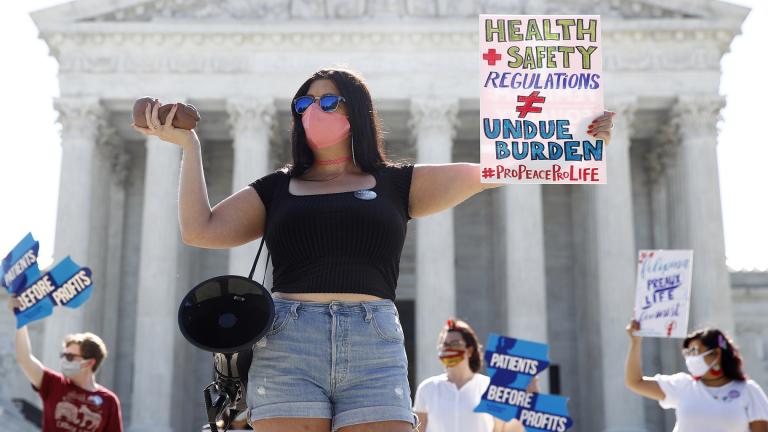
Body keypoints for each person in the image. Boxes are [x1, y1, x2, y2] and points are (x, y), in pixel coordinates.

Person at [131, 67, 614, 432]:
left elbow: (495, 169)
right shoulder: (277, 187)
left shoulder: (398, 183)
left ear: (356, 110)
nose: (313, 112)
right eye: (303, 105)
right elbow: (201, 230)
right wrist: (188, 146)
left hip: (373, 342)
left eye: (328, 101)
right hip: (289, 340)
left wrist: (577, 139)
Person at [625, 320, 768, 432]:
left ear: (716, 353)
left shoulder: (748, 391)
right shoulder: (682, 386)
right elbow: (635, 382)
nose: (690, 358)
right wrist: (635, 343)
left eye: (695, 351)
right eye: (688, 352)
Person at [9, 298, 123, 432]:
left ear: (89, 362)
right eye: (63, 355)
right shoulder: (53, 384)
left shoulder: (109, 401)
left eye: (70, 357)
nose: (64, 361)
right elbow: (24, 358)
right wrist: (21, 320)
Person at [414, 319, 535, 432]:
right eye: (445, 345)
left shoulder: (491, 388)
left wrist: (527, 402)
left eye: (455, 344)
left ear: (469, 350)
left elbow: (504, 429)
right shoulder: (427, 388)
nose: (448, 348)